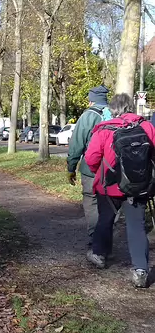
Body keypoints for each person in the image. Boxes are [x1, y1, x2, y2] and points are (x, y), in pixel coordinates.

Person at [84, 94, 155, 288]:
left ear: (113, 109)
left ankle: (99, 254)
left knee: (105, 219)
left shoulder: (104, 129)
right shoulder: (146, 127)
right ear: (131, 107)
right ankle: (140, 269)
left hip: (109, 186)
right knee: (136, 226)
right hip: (138, 187)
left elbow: (91, 158)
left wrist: (99, 173)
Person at [66, 85, 111, 245]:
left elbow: (76, 144)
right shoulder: (116, 113)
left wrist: (71, 168)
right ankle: (107, 239)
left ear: (91, 100)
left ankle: (96, 239)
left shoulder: (88, 116)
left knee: (91, 202)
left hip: (92, 169)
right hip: (114, 170)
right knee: (109, 204)